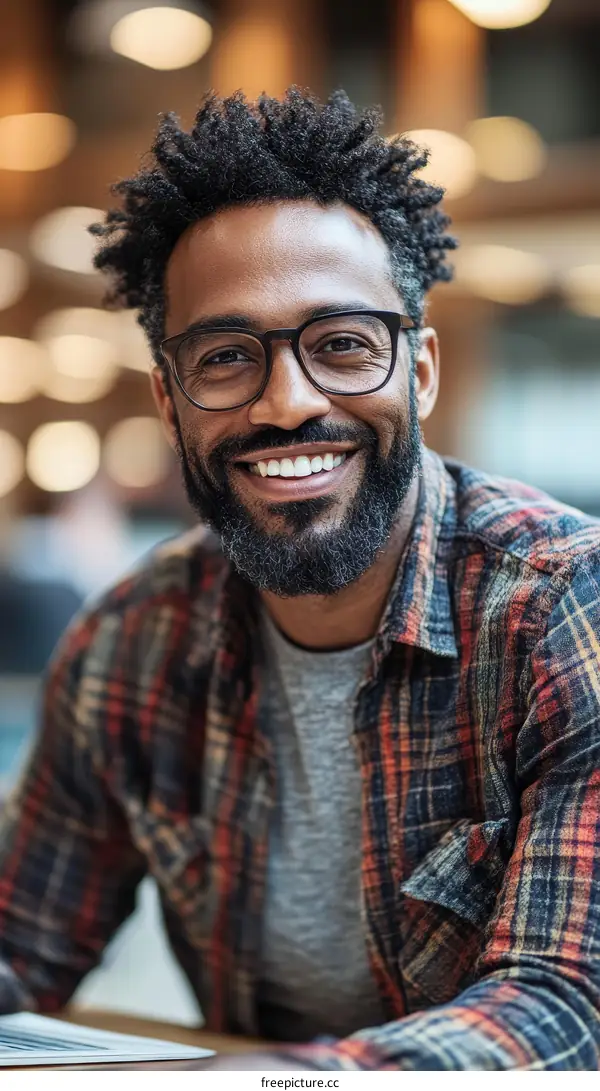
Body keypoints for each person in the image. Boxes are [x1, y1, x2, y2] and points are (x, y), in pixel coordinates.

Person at [0, 89, 599, 1072]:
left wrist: (288, 1081)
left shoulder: (562, 606)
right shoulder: (131, 640)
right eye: (228, 356)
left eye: (343, 345)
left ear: (423, 370)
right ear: (168, 396)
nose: (289, 402)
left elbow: (568, 998)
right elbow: (18, 944)